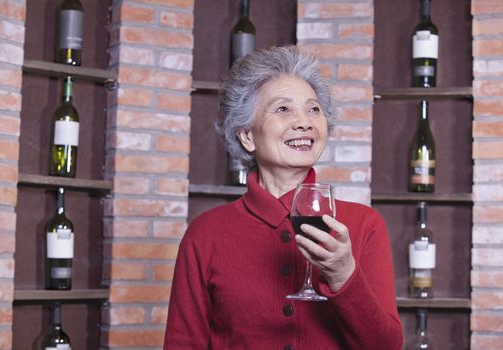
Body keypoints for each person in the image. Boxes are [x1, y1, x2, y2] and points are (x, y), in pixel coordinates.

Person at [164, 45, 403, 349]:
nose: (304, 121)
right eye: (283, 109)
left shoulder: (363, 224)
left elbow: (387, 346)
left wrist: (344, 275)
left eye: (313, 109)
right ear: (247, 136)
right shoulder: (205, 233)